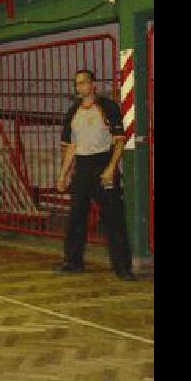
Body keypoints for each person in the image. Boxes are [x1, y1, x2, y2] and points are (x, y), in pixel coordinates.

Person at [55, 69, 135, 281]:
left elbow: (119, 140)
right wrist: (63, 175)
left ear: (93, 84)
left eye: (83, 83)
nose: (79, 87)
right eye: (77, 84)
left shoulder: (107, 107)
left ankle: (122, 268)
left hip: (103, 163)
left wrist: (110, 169)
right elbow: (71, 147)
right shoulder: (73, 112)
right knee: (76, 216)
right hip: (82, 166)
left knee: (113, 217)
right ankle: (72, 262)